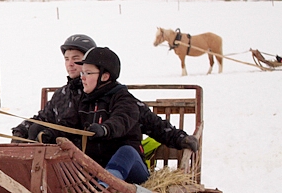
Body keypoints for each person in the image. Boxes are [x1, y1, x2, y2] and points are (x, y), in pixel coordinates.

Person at [12, 35, 200, 155]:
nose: (70, 64)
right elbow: (45, 118)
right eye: (66, 59)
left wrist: (179, 138)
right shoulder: (62, 94)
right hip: (65, 161)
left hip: (96, 159)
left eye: (76, 59)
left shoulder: (108, 93)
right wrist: (23, 130)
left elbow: (145, 119)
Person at [75, 47, 150, 184]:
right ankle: (101, 186)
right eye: (82, 73)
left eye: (88, 73)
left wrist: (104, 129)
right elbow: (66, 123)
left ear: (105, 76)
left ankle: (104, 189)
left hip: (130, 171)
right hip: (97, 171)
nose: (82, 78)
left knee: (126, 151)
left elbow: (121, 120)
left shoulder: (124, 99)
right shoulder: (82, 101)